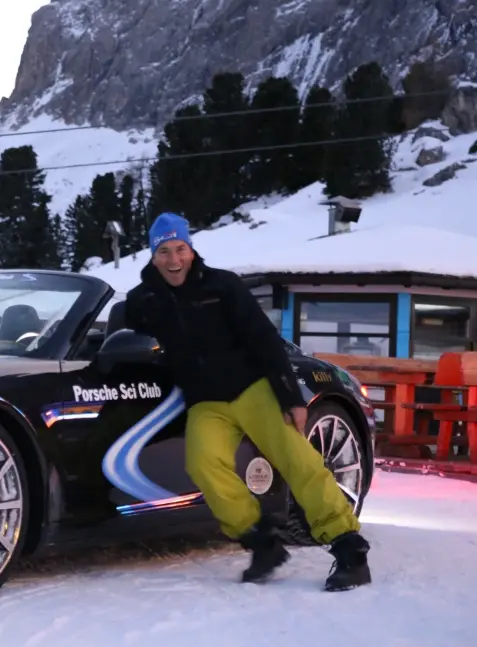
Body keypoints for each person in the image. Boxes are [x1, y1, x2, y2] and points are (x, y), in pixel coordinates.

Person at [122, 212, 372, 592]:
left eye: (180, 249)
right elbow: (129, 337)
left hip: (252, 388)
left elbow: (264, 340)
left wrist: (291, 396)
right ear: (152, 255)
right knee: (203, 464)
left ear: (191, 249)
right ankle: (261, 542)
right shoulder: (144, 300)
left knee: (296, 458)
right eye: (164, 252)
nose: (173, 260)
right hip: (206, 402)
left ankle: (349, 548)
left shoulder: (223, 285)